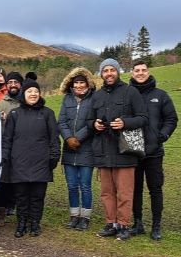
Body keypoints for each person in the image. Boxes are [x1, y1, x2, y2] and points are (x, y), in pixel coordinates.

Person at [87, 58, 147, 241]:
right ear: (101, 74)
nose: (109, 73)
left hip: (124, 151)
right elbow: (88, 120)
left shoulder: (131, 92)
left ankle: (123, 225)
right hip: (103, 151)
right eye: (105, 71)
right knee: (107, 192)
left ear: (118, 71)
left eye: (112, 70)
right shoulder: (96, 96)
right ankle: (111, 223)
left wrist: (125, 123)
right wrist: (94, 124)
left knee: (124, 192)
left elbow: (143, 118)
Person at [2, 78, 60, 238]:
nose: (33, 94)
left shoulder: (47, 113)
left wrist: (54, 157)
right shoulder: (15, 114)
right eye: (29, 91)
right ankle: (21, 223)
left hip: (41, 162)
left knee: (37, 196)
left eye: (36, 91)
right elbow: (7, 139)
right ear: (24, 94)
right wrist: (5, 157)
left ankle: (35, 223)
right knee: (21, 196)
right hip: (19, 162)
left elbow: (54, 138)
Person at [128, 60, 178, 240]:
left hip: (154, 152)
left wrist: (162, 136)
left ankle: (156, 226)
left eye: (143, 70)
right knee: (135, 189)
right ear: (132, 73)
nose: (140, 73)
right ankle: (137, 223)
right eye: (137, 70)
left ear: (148, 72)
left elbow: (171, 119)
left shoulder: (160, 95)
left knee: (155, 189)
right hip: (133, 150)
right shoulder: (127, 95)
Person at [57, 67, 97, 230]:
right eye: (76, 83)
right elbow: (61, 121)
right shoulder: (67, 99)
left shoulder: (94, 99)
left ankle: (85, 217)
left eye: (82, 82)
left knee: (85, 186)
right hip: (69, 150)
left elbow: (93, 122)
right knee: (72, 185)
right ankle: (74, 216)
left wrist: (78, 138)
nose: (79, 86)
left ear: (87, 84)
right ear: (71, 85)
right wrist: (68, 138)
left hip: (86, 149)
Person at [0, 71, 24, 222]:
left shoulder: (25, 103)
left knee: (17, 179)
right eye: (10, 82)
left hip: (22, 147)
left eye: (15, 82)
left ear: (21, 84)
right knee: (3, 180)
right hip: (3, 146)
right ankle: (1, 208)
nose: (13, 85)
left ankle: (14, 205)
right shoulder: (0, 105)